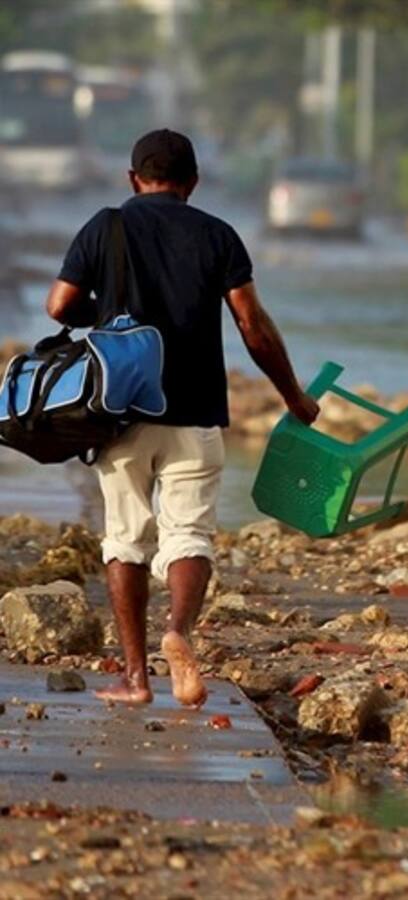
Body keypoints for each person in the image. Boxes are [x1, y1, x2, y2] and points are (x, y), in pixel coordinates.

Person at [44, 129, 319, 708]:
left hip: (121, 411)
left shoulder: (106, 225)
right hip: (195, 412)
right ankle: (179, 633)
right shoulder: (218, 235)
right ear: (193, 183)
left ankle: (137, 678)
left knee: (125, 540)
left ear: (132, 179)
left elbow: (59, 306)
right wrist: (294, 396)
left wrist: (112, 311)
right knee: (190, 534)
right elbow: (252, 326)